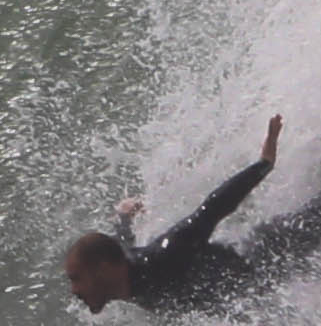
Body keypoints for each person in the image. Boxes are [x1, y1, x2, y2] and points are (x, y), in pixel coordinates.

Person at [64, 115, 289, 311]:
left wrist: (264, 164)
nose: (74, 290)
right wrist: (124, 217)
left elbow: (212, 209)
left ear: (103, 269)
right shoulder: (122, 270)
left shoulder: (164, 257)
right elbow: (120, 245)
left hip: (271, 257)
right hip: (252, 287)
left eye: (77, 279)